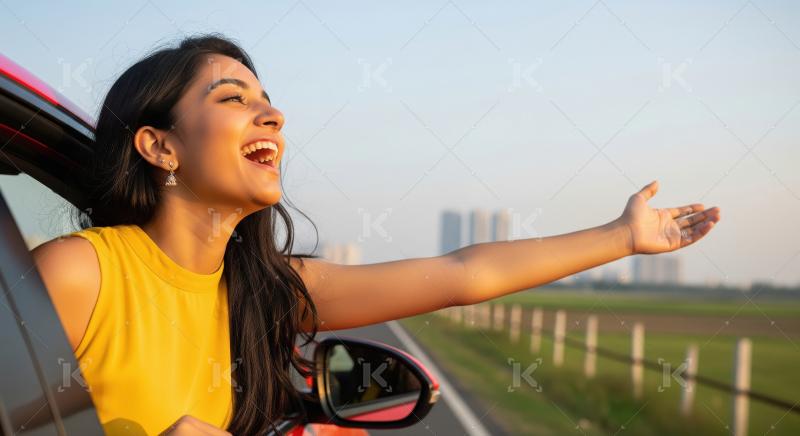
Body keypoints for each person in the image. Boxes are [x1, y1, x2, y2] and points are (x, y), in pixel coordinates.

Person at [30, 33, 721, 435]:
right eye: (232, 99)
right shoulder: (80, 274)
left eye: (266, 100)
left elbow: (461, 276)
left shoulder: (270, 288)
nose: (270, 114)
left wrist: (621, 237)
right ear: (159, 146)